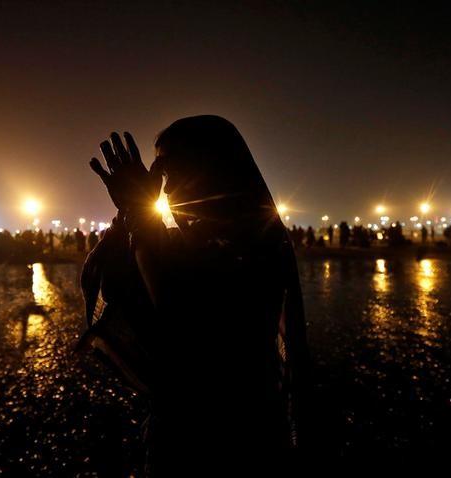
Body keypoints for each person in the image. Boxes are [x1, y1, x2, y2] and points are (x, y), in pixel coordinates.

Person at [81, 116, 310, 475]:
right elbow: (106, 282)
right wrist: (128, 211)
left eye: (169, 166)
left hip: (233, 438)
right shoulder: (184, 240)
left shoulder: (254, 243)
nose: (162, 184)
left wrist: (140, 213)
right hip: (178, 428)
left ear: (212, 166)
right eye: (158, 168)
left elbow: (181, 312)